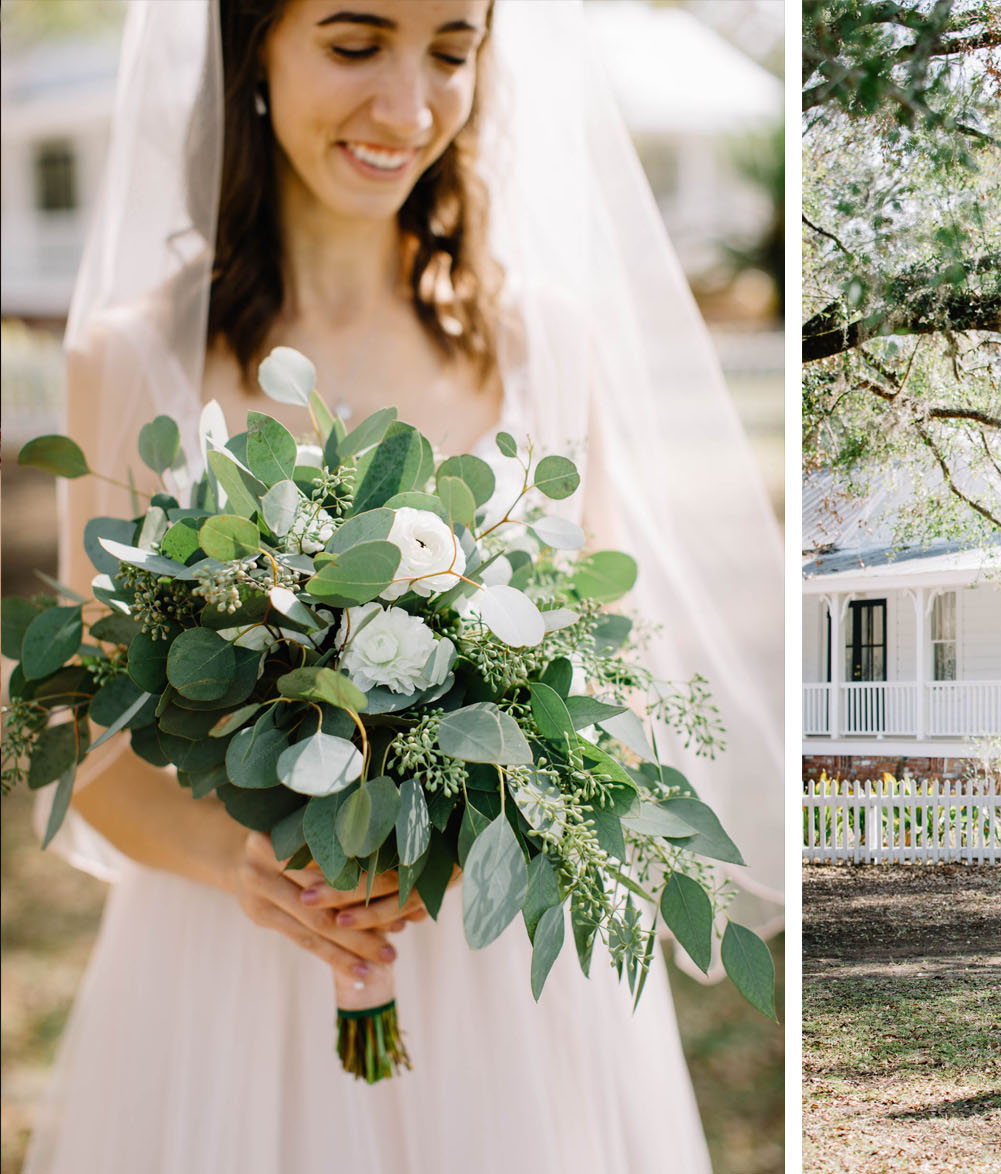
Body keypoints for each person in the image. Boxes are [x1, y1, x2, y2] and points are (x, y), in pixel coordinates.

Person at [23, 2, 783, 1170]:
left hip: (497, 992)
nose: (409, 108)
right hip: (233, 978)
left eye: (449, 51)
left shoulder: (545, 344)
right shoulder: (129, 360)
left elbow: (612, 684)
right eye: (353, 42)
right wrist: (240, 859)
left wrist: (504, 795)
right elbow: (91, 740)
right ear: (253, 52)